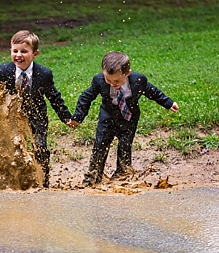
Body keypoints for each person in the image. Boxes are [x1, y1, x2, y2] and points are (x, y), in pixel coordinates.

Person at [0, 29, 74, 187]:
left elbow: (54, 97)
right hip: (12, 115)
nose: (18, 55)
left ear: (35, 53)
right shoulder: (4, 70)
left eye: (24, 51)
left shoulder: (44, 74)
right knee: (13, 148)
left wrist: (66, 117)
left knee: (40, 147)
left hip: (37, 116)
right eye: (15, 51)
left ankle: (43, 181)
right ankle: (14, 180)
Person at [70, 50, 178, 186]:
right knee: (100, 146)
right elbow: (86, 97)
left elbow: (152, 92)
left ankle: (122, 175)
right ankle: (93, 177)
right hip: (107, 117)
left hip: (129, 118)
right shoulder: (99, 80)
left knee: (125, 145)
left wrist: (168, 103)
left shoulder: (138, 80)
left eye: (116, 80)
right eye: (108, 79)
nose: (112, 83)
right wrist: (77, 117)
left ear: (127, 73)